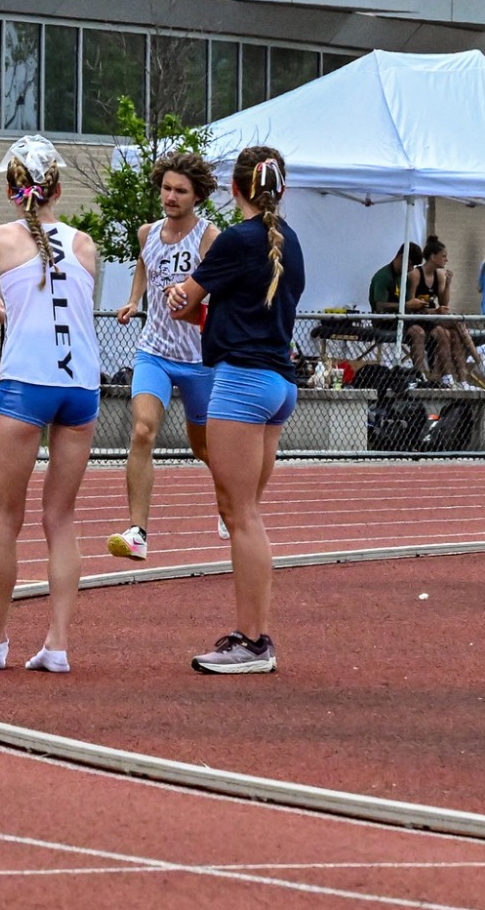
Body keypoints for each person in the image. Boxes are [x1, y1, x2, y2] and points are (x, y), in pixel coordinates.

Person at [168, 145, 305, 675]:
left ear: (236, 189)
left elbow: (184, 299)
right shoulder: (288, 242)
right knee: (243, 514)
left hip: (242, 382)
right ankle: (250, 637)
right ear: (280, 189)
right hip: (278, 382)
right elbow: (259, 306)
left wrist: (176, 297)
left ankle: (253, 642)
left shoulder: (235, 239)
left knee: (241, 516)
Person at [0, 135, 99, 675]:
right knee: (61, 518)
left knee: (6, 516)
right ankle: (59, 643)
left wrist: (2, 314)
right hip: (81, 387)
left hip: (27, 381)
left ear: (10, 189)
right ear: (58, 190)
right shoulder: (86, 243)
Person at [108, 152, 222, 562]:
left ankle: (232, 506)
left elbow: (221, 286)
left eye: (180, 191)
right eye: (166, 188)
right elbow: (144, 266)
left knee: (206, 449)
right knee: (142, 431)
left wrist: (192, 292)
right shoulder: (147, 232)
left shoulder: (209, 236)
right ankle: (138, 532)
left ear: (197, 196)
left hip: (198, 359)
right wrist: (133, 299)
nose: (170, 197)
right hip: (154, 351)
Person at [410, 237, 477, 387]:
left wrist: (448, 284)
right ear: (433, 257)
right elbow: (410, 304)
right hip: (418, 318)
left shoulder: (439, 275)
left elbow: (444, 302)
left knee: (450, 334)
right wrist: (434, 311)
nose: (446, 260)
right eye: (444, 256)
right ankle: (479, 361)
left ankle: (458, 379)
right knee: (457, 322)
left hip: (432, 317)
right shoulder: (416, 274)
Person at [369, 242, 430, 377]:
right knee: (417, 332)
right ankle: (420, 374)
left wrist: (426, 310)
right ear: (402, 258)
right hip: (385, 320)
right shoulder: (383, 276)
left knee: (440, 331)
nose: (411, 269)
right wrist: (407, 305)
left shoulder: (405, 279)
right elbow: (380, 306)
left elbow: (408, 304)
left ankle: (443, 376)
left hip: (403, 318)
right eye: (411, 265)